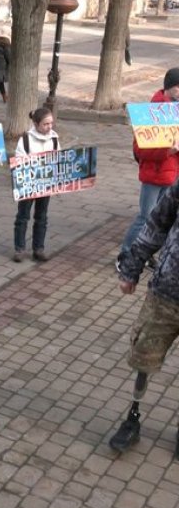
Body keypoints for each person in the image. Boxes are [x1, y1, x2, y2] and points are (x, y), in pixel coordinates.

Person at [111, 178, 179, 457]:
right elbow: (156, 224)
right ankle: (133, 418)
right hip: (166, 291)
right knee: (144, 358)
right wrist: (131, 269)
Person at [116, 68, 179, 268]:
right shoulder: (154, 111)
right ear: (171, 88)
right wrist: (168, 152)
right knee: (145, 217)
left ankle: (146, 253)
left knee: (160, 220)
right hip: (154, 176)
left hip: (171, 174)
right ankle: (125, 255)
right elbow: (141, 151)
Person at [12, 107, 61, 263]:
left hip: (45, 186)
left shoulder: (54, 139)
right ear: (36, 123)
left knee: (41, 217)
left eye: (51, 123)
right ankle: (20, 249)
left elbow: (59, 159)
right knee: (23, 217)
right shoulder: (26, 139)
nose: (49, 127)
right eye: (45, 124)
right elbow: (19, 158)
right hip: (28, 185)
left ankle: (38, 249)